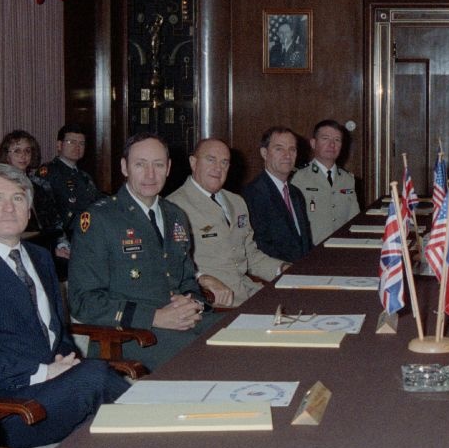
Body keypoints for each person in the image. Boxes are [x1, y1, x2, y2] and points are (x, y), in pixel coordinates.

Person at [0, 164, 131, 448]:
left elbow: (57, 334)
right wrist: (43, 372)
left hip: (53, 392)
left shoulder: (40, 258)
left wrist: (65, 363)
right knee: (95, 377)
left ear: (29, 210)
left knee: (100, 390)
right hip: (6, 409)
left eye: (18, 198)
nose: (9, 208)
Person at [67, 133, 228, 368]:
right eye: (140, 164)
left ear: (169, 168)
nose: (150, 175)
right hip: (130, 335)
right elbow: (84, 301)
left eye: (158, 165)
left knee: (242, 336)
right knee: (211, 360)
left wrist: (191, 304)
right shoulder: (99, 219)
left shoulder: (175, 215)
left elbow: (186, 281)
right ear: (125, 167)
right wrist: (155, 317)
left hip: (183, 322)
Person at [168, 138, 286, 305]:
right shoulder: (174, 207)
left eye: (224, 162)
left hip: (248, 293)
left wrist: (282, 269)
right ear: (193, 162)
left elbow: (250, 256)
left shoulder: (236, 202)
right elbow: (172, 267)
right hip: (214, 303)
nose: (218, 168)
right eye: (211, 160)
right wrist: (201, 279)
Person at [242, 126, 314, 263]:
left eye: (292, 149)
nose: (287, 155)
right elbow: (259, 247)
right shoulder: (252, 195)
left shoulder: (295, 193)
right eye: (279, 149)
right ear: (264, 153)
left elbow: (304, 243)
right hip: (275, 274)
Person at [34, 123, 105, 259]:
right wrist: (60, 242)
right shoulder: (48, 173)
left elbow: (97, 204)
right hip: (64, 243)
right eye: (71, 142)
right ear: (59, 145)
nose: (77, 147)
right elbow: (45, 212)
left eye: (82, 143)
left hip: (88, 238)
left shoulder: (84, 177)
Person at [291, 119, 359, 241]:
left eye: (337, 140)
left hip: (342, 248)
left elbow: (354, 220)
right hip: (312, 251)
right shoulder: (298, 178)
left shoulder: (348, 179)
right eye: (325, 138)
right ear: (313, 143)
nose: (332, 145)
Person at [0, 129, 61, 237]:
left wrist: (59, 244)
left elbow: (53, 220)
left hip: (43, 242)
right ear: (7, 156)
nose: (23, 155)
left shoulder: (40, 185)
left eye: (27, 151)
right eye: (17, 151)